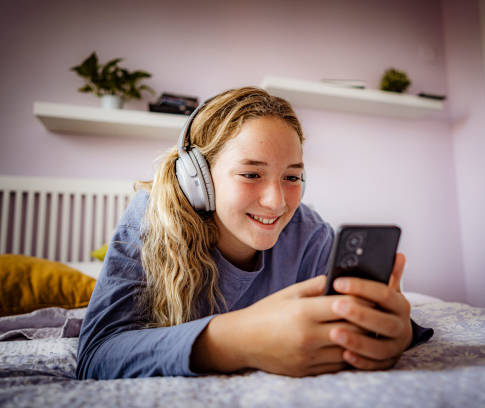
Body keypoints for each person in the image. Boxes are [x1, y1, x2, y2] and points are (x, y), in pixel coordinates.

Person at [76, 87, 433, 379]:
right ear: (198, 179)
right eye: (251, 174)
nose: (277, 201)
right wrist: (240, 339)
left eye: (292, 177)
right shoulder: (149, 218)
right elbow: (96, 356)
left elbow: (360, 321)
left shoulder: (308, 234)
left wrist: (392, 332)